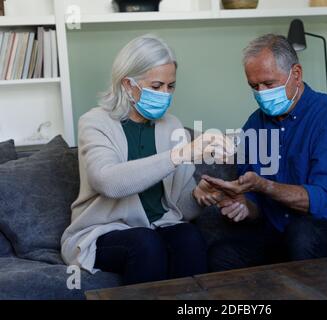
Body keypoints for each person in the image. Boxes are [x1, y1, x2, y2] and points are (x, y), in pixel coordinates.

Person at [61, 34, 232, 285]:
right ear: (128, 84)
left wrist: (199, 196)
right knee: (145, 244)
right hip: (103, 231)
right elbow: (107, 181)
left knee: (190, 237)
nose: (165, 93)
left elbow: (179, 209)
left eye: (170, 86)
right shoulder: (95, 122)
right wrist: (179, 155)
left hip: (158, 226)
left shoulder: (172, 126)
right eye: (156, 86)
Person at [201, 34, 327, 271]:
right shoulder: (254, 126)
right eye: (254, 86)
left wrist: (263, 185)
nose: (261, 93)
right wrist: (242, 203)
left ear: (296, 74)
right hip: (283, 234)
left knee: (303, 233)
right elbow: (256, 207)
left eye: (268, 83)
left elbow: (322, 201)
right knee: (222, 254)